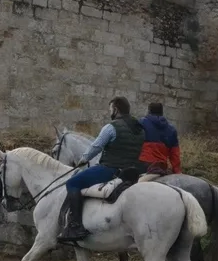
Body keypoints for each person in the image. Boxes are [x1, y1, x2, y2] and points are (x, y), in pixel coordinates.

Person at [57, 96, 147, 243]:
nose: (110, 112)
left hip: (111, 170)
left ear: (116, 109)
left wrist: (84, 159)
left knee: (72, 183)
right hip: (132, 172)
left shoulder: (111, 127)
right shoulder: (140, 129)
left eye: (110, 109)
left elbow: (96, 146)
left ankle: (75, 226)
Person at [139, 102, 182, 175]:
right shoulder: (171, 129)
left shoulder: (142, 122)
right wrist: (177, 171)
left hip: (143, 163)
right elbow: (174, 153)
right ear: (162, 112)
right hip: (161, 166)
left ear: (149, 111)